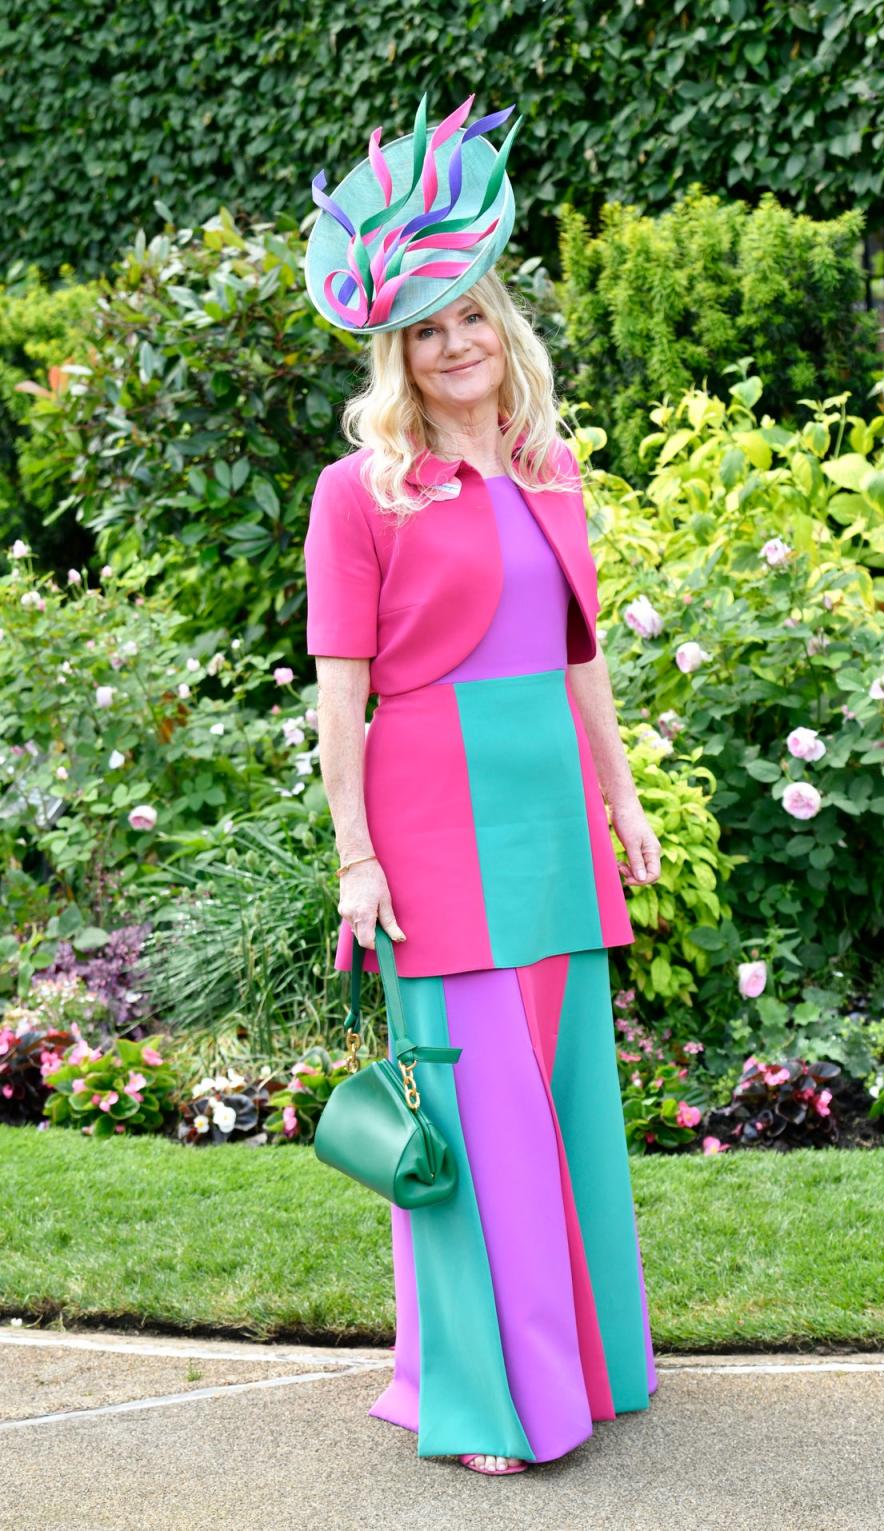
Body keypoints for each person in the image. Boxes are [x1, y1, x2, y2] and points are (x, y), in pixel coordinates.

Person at [303, 91, 661, 1476]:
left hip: (547, 810)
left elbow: (580, 665)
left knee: (560, 1091)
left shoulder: (549, 470)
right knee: (469, 1107)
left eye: (470, 317)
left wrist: (621, 800)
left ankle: (583, 1363)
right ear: (399, 352)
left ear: (500, 328)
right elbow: (344, 689)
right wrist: (356, 852)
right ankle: (484, 1399)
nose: (454, 346)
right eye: (426, 328)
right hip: (430, 808)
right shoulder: (362, 493)